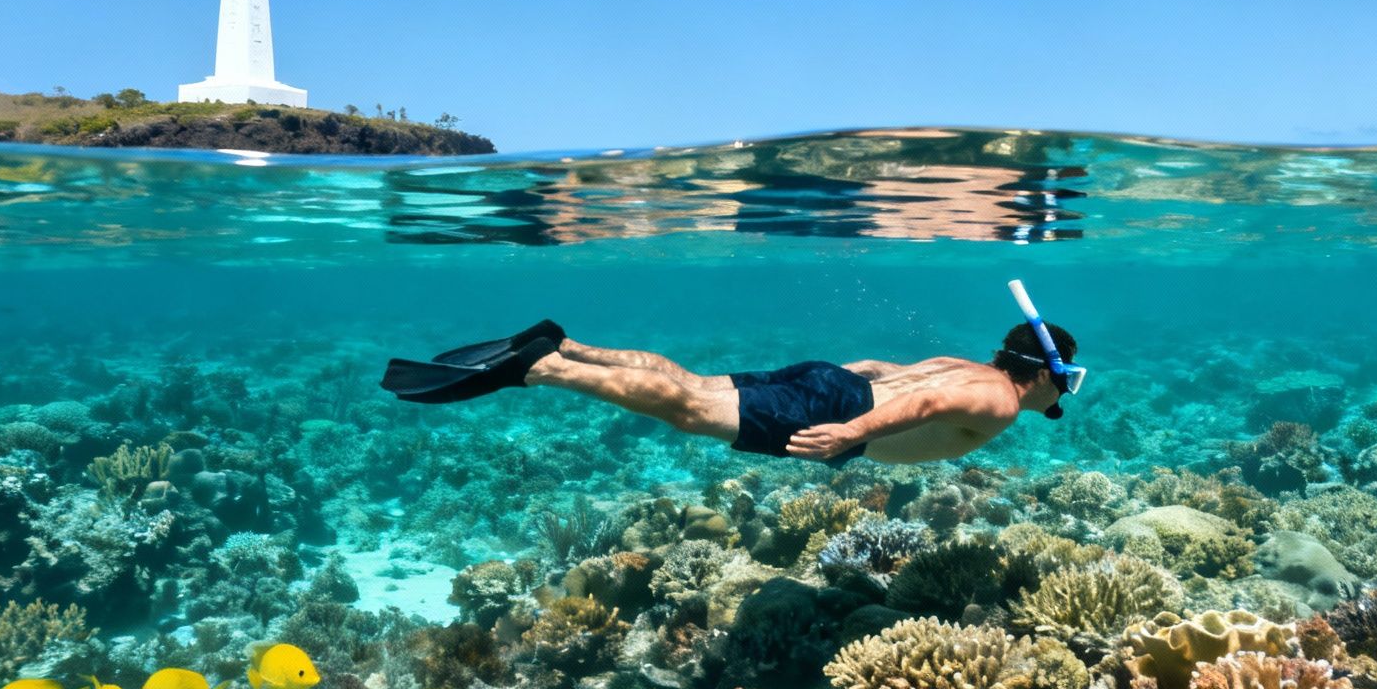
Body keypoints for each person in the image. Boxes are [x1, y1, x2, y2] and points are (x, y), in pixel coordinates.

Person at [380, 282, 1085, 466]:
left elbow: (886, 368)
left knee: (690, 382)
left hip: (833, 380)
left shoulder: (970, 366)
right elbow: (926, 401)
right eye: (1070, 380)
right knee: (686, 409)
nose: (1066, 394)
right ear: (1046, 374)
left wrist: (838, 391)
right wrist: (850, 431)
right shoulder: (995, 401)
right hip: (841, 408)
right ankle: (538, 369)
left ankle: (566, 344)